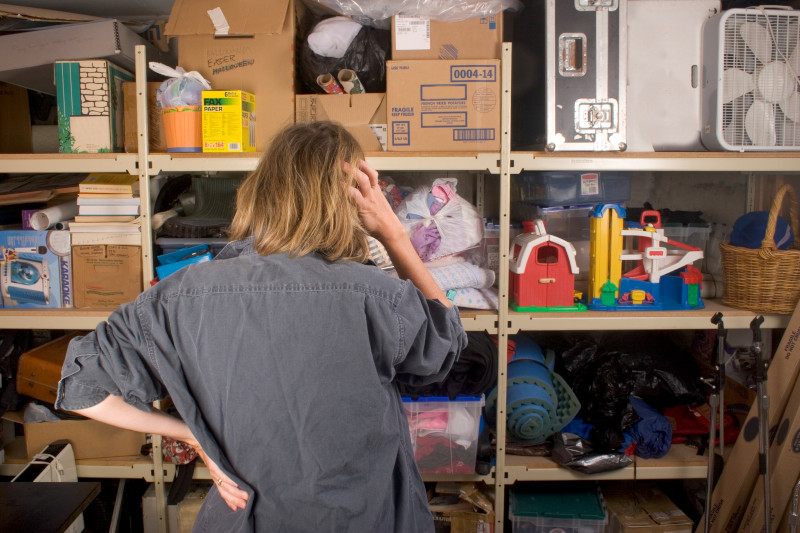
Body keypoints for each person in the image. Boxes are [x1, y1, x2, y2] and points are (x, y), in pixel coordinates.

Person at [55, 121, 468, 532]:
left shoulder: (180, 296)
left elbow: (82, 389)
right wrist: (395, 234)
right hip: (368, 518)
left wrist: (194, 436)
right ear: (354, 198)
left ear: (258, 191)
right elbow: (445, 347)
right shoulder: (377, 295)